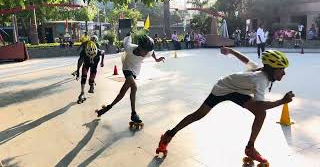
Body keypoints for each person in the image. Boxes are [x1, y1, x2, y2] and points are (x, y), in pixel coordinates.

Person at [157, 47, 294, 165]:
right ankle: (168, 135)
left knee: (261, 114)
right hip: (222, 88)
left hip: (238, 91)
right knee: (198, 115)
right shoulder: (260, 80)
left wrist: (231, 51)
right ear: (271, 69)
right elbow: (260, 105)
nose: (284, 73)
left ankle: (250, 148)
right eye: (281, 70)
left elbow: (245, 60)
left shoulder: (262, 71)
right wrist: (282, 101)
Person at [95, 34, 165, 123]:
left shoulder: (148, 52)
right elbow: (127, 40)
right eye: (145, 50)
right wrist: (129, 35)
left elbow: (152, 52)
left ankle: (108, 107)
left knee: (122, 92)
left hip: (136, 70)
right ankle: (133, 113)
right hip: (127, 66)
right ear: (139, 47)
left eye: (148, 51)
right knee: (134, 87)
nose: (146, 53)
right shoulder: (129, 48)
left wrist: (156, 59)